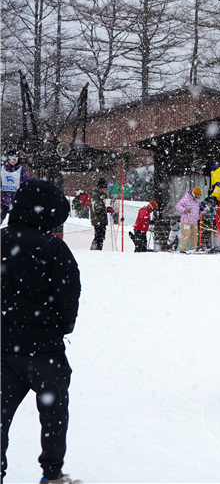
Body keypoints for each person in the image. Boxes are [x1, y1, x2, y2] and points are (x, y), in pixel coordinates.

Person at [1, 178, 80, 484]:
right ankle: (52, 474)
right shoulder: (54, 249)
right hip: (43, 350)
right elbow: (68, 295)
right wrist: (61, 327)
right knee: (53, 414)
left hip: (3, 348)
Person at [0, 149, 30, 224]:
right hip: (3, 200)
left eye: (14, 159)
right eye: (10, 159)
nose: (12, 161)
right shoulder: (2, 169)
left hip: (17, 201)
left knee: (15, 222)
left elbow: (27, 183)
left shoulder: (22, 170)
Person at [175, 186, 201, 253]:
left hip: (194, 221)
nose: (198, 198)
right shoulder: (186, 199)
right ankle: (181, 250)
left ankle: (192, 250)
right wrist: (184, 210)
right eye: (197, 196)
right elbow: (177, 205)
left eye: (199, 197)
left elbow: (198, 210)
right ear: (193, 194)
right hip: (186, 220)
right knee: (186, 235)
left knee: (194, 237)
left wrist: (205, 209)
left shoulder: (197, 201)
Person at [89, 179, 110, 251]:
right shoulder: (95, 195)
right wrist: (105, 209)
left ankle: (98, 249)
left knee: (101, 237)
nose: (105, 190)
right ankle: (95, 250)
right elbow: (96, 208)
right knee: (98, 237)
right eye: (104, 188)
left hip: (101, 219)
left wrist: (106, 209)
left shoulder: (100, 195)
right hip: (98, 219)